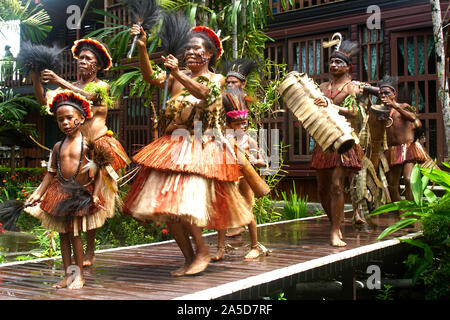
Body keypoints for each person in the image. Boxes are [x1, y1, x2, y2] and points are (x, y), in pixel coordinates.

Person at [123, 24, 253, 276]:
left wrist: (178, 74)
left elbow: (205, 94)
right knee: (169, 210)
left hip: (199, 145)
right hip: (172, 145)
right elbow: (150, 77)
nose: (191, 52)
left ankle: (202, 250)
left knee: (183, 204)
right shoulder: (174, 76)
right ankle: (189, 257)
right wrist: (141, 48)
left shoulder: (217, 79)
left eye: (197, 48)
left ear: (210, 54)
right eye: (188, 48)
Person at [29, 38, 130, 266]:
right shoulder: (69, 90)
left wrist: (59, 80)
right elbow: (43, 98)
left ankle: (90, 250)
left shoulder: (101, 87)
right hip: (75, 151)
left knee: (94, 200)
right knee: (74, 198)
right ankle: (75, 249)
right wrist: (36, 78)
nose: (82, 62)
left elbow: (91, 98)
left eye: (88, 59)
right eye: (80, 58)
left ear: (98, 66)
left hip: (98, 148)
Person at [25, 90, 106, 289]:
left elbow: (100, 172)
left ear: (81, 118)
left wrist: (95, 194)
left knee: (75, 234)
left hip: (80, 196)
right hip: (60, 195)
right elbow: (50, 174)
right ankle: (67, 275)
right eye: (60, 120)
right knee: (63, 235)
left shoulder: (89, 145)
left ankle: (79, 276)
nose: (65, 123)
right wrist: (38, 194)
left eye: (70, 118)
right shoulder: (57, 147)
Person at [313, 40, 364, 247]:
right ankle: (335, 222)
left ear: (347, 66)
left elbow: (354, 112)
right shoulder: (322, 87)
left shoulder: (353, 87)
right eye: (331, 61)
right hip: (323, 139)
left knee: (336, 185)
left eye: (338, 62)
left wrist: (331, 106)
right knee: (322, 189)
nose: (333, 65)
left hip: (344, 140)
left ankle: (335, 231)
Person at [213, 87, 267, 261]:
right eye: (238, 124)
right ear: (229, 125)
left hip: (244, 180)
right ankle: (220, 249)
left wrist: (252, 160)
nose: (243, 126)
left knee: (248, 213)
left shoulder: (248, 140)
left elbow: (263, 161)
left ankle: (255, 246)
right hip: (228, 179)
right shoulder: (223, 139)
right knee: (222, 213)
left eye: (245, 123)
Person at [380, 75, 427, 202]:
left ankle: (412, 210)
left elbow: (412, 118)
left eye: (387, 92)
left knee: (408, 179)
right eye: (381, 93)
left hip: (407, 148)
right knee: (392, 185)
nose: (383, 95)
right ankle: (401, 214)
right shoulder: (381, 112)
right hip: (392, 150)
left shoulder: (403, 106)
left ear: (394, 94)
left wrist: (394, 106)